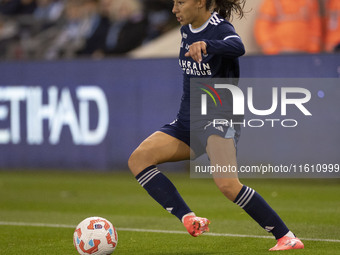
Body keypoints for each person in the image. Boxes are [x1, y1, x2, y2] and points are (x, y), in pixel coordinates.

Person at [128, 0, 304, 251]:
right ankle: (189, 218)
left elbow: (238, 46)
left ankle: (286, 237)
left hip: (219, 119)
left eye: (180, 2)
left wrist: (208, 44)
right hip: (188, 122)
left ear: (200, 2)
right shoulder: (186, 29)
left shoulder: (219, 28)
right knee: (139, 159)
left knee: (227, 184)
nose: (174, 9)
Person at [254, 0, 322, 55]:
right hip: (279, 55)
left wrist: (313, 51)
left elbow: (315, 27)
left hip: (305, 54)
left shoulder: (310, 1)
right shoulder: (272, 2)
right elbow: (262, 28)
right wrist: (272, 51)